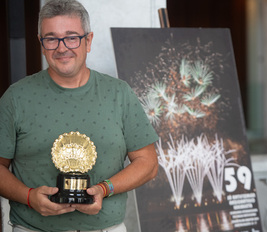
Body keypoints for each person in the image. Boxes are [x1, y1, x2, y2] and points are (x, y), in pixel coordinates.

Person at [0, 0, 159, 231]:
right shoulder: (15, 98)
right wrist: (28, 196)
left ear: (88, 41)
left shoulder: (119, 93)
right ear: (41, 44)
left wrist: (105, 189)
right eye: (51, 38)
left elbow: (148, 163)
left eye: (72, 37)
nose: (62, 47)